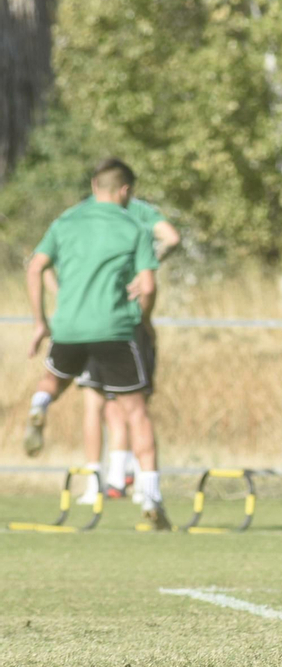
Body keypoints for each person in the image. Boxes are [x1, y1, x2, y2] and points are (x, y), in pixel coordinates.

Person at [23, 158, 170, 530]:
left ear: (93, 186)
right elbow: (148, 286)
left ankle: (39, 405)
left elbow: (35, 267)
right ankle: (151, 498)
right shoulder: (133, 225)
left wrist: (41, 321)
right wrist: (146, 322)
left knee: (52, 382)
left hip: (68, 327)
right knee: (135, 412)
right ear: (124, 191)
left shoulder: (66, 222)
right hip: (115, 329)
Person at [74, 192, 180, 504]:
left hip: (92, 324)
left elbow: (44, 264)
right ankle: (135, 481)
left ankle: (106, 481)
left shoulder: (86, 216)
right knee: (132, 407)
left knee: (103, 404)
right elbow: (170, 239)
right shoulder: (140, 215)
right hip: (130, 327)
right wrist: (148, 266)